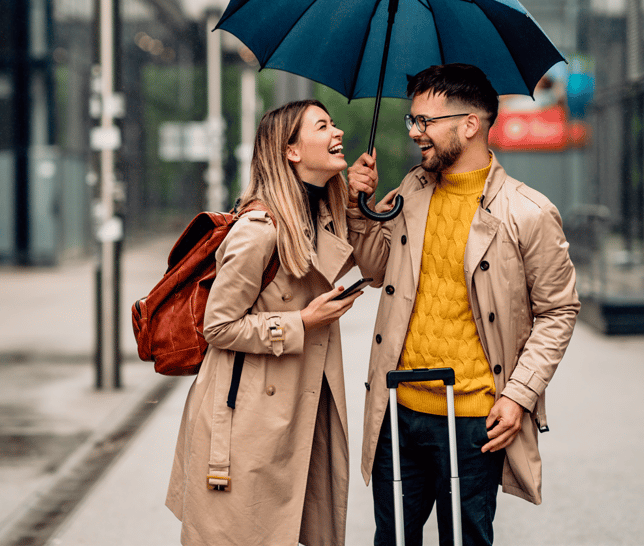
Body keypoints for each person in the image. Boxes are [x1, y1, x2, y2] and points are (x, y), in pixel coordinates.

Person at [347, 63, 580, 546]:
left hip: (475, 418)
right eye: (411, 121)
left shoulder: (528, 212)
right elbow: (374, 270)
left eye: (425, 122)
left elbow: (559, 311)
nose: (415, 133)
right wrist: (358, 207)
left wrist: (519, 395)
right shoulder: (410, 189)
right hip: (399, 408)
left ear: (470, 124)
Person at [166, 99, 378, 546]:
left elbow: (372, 269)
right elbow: (217, 327)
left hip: (296, 408)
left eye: (334, 124)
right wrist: (302, 321)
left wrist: (359, 203)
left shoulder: (314, 217)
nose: (337, 132)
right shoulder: (259, 229)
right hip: (246, 418)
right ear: (291, 151)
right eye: (322, 126)